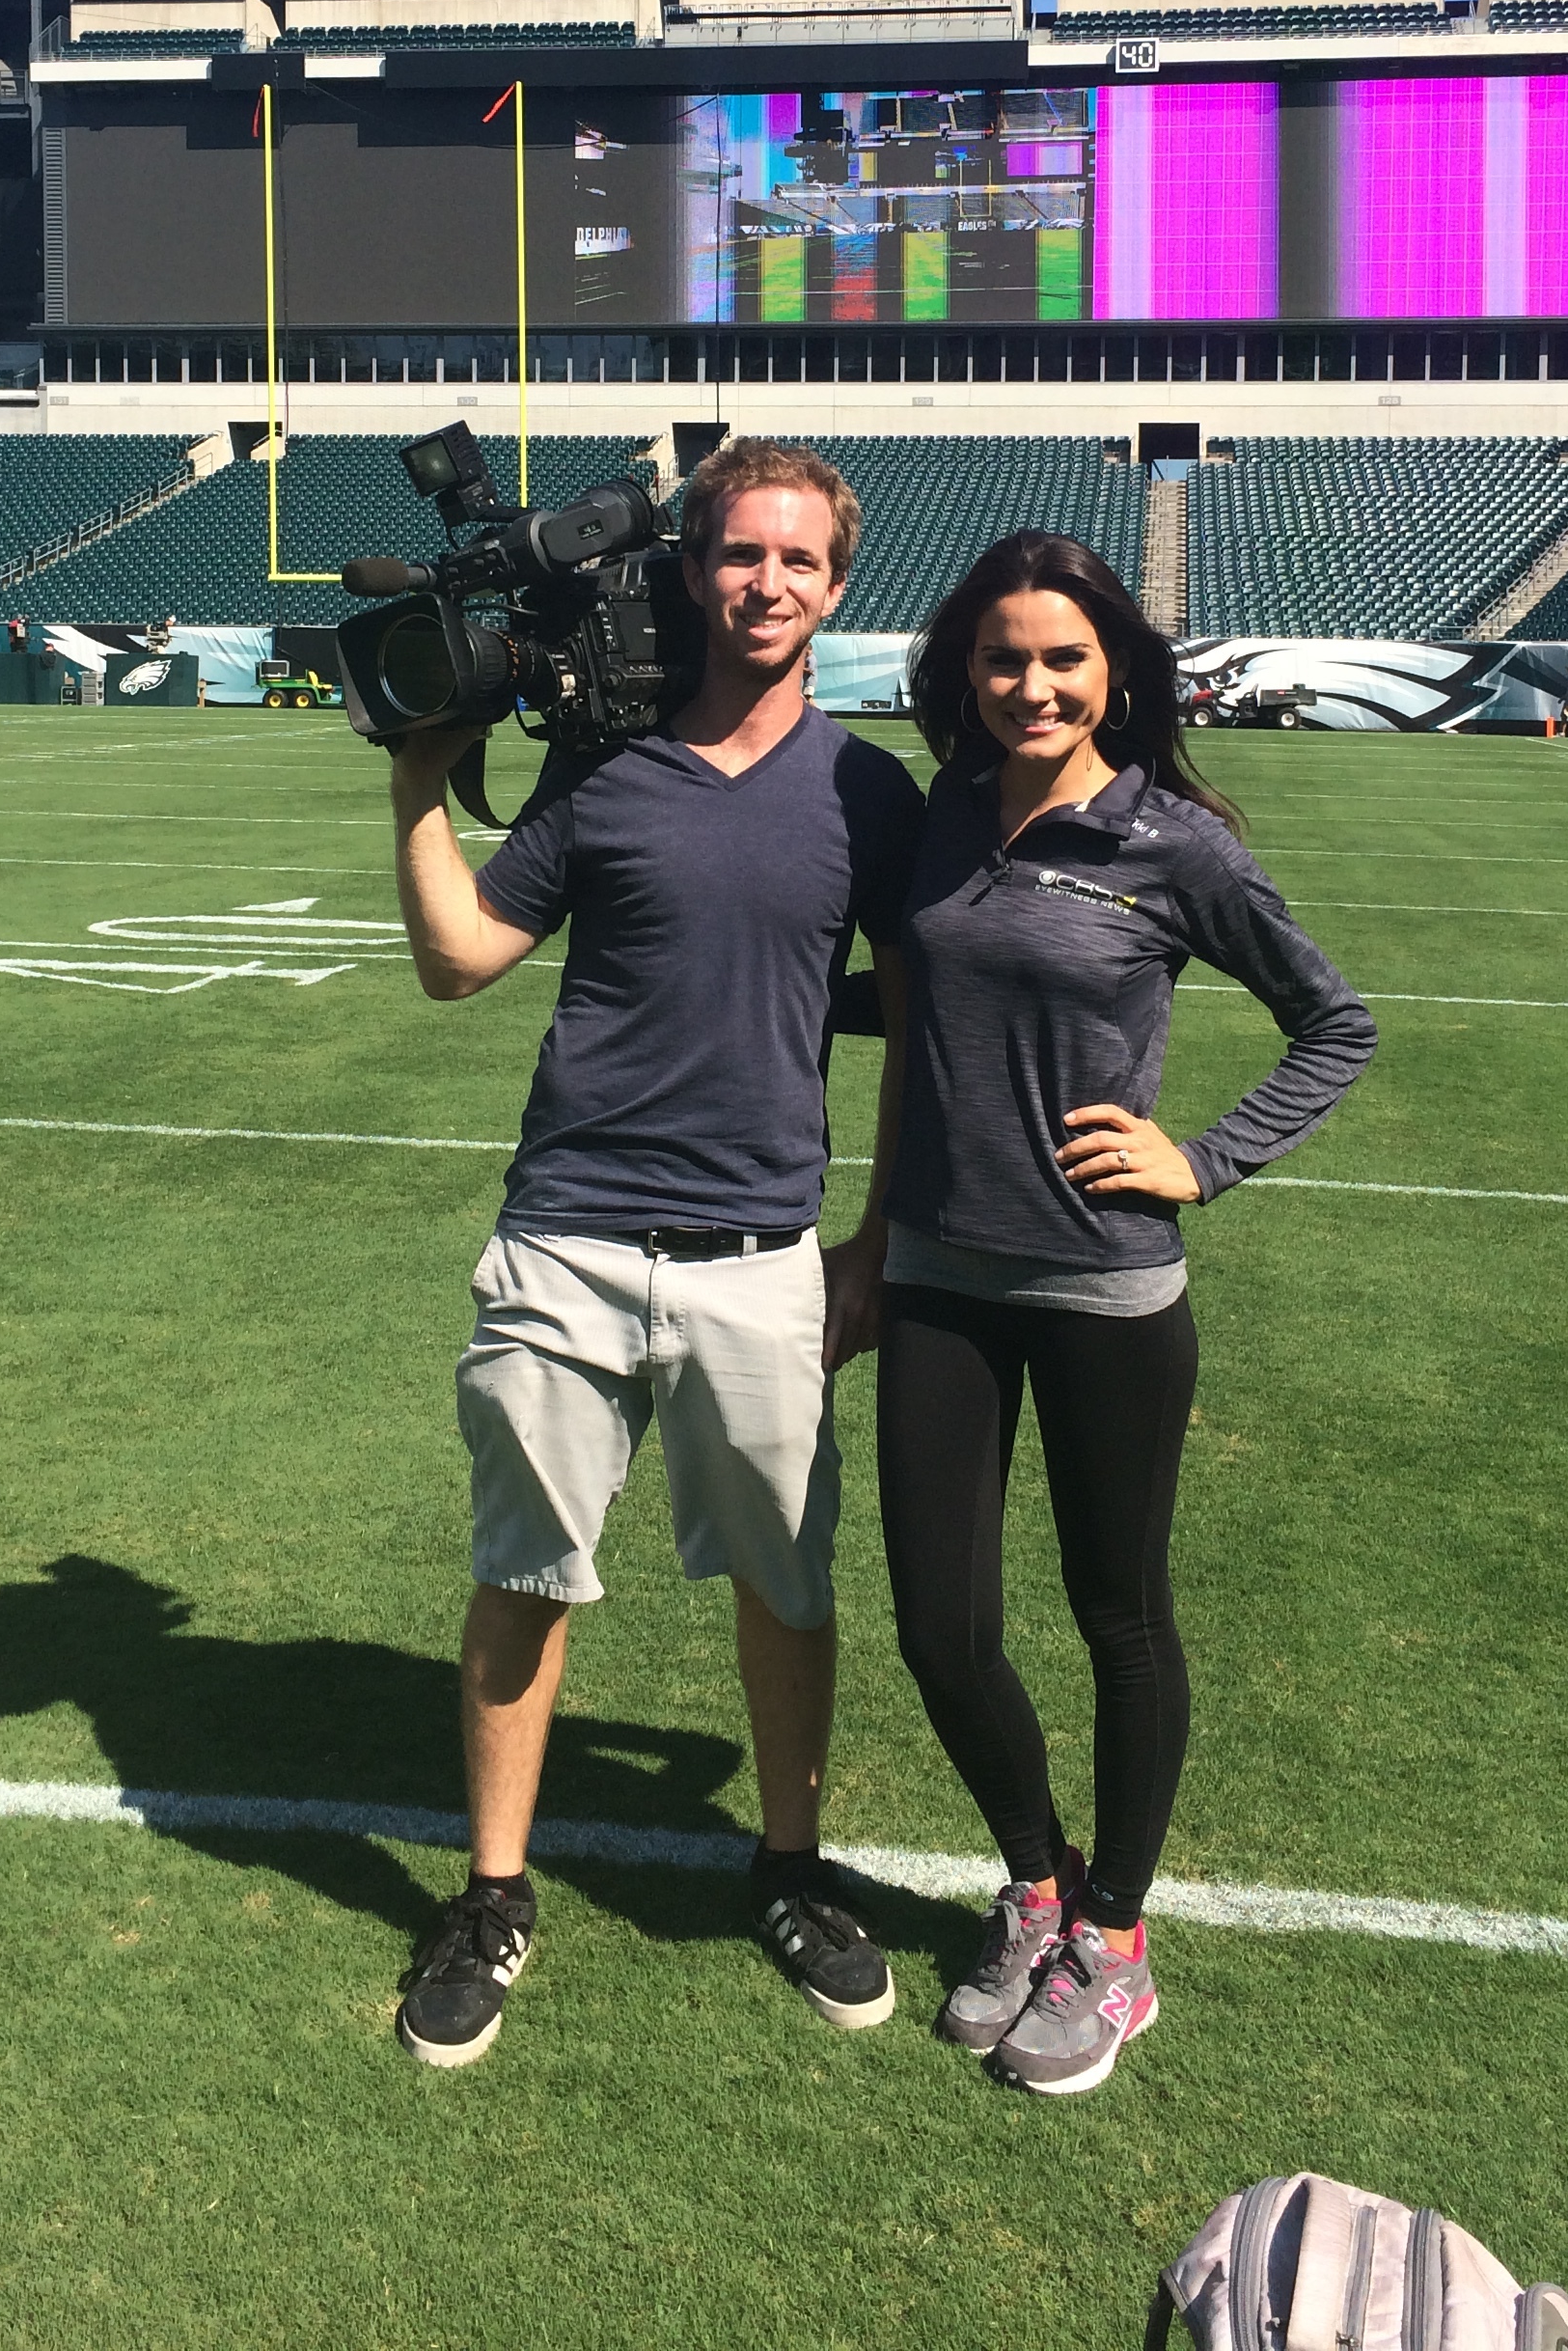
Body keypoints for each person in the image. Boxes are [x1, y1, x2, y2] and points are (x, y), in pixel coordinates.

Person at [388, 439, 923, 2068]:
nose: (766, 584)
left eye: (798, 563)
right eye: (738, 555)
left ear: (837, 587)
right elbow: (463, 958)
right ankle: (492, 1892)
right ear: (695, 570)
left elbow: (919, 1029)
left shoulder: (864, 790)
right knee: (522, 1575)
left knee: (785, 1581)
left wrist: (874, 1247)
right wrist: (418, 775)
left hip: (765, 1250)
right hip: (567, 1235)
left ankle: (789, 1864)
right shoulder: (601, 768)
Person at [878, 533, 1375, 2096]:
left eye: (1065, 658)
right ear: (965, 667)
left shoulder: (1175, 844)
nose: (1032, 683)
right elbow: (895, 1004)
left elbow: (1334, 1023)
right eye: (1005, 656)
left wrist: (1202, 1158)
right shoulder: (935, 820)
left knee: (1118, 1617)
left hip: (1108, 1287)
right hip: (938, 1281)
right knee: (939, 1629)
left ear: (1116, 674)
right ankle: (1033, 1888)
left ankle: (1117, 1937)